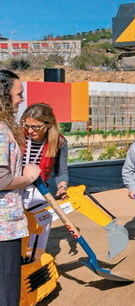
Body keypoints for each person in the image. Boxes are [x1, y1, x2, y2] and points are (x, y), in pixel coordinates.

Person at [0, 69, 41, 305]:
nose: (21, 99)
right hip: (3, 227)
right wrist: (27, 177)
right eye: (18, 94)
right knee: (6, 291)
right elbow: (1, 180)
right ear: (3, 95)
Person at [20, 103, 69, 253]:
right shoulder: (17, 136)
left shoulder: (59, 142)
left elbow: (61, 171)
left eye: (35, 127)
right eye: (26, 125)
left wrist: (62, 186)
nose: (29, 130)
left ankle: (37, 255)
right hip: (15, 186)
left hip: (39, 190)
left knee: (43, 219)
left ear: (48, 124)